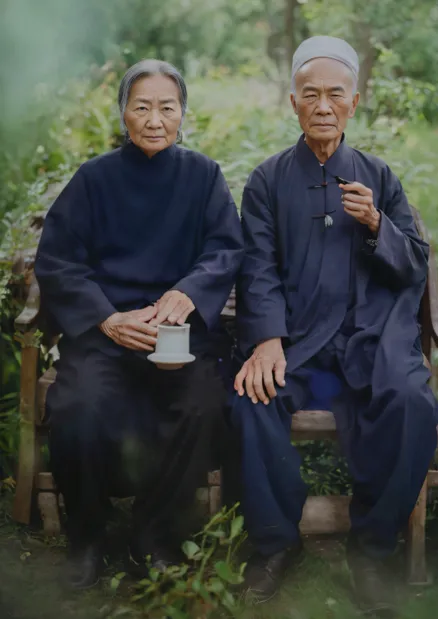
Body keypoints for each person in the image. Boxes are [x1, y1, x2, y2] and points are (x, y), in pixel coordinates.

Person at [232, 36, 438, 613]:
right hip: (305, 358)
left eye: (335, 95)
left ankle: (372, 550)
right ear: (293, 101)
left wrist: (376, 224)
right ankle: (275, 543)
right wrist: (267, 339)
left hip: (366, 353)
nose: (323, 105)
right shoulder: (268, 181)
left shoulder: (379, 176)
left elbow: (414, 266)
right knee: (253, 396)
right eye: (311, 94)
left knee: (411, 403)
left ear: (354, 102)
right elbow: (256, 267)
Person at [35, 59, 244, 589]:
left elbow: (225, 249)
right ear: (124, 113)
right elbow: (58, 261)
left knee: (202, 404)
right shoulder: (94, 179)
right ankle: (86, 539)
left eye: (167, 108)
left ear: (182, 114)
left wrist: (188, 292)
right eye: (142, 106)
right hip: (107, 337)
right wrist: (106, 318)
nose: (155, 119)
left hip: (177, 338)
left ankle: (155, 536)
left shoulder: (204, 177)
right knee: (78, 405)